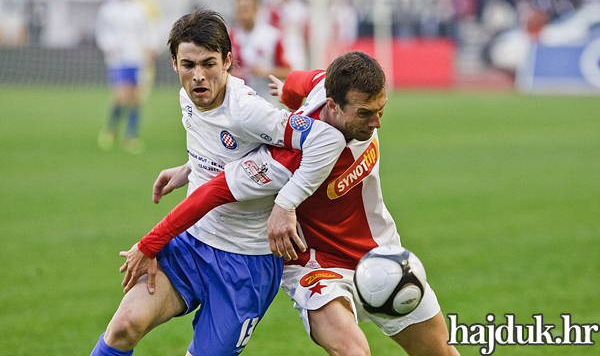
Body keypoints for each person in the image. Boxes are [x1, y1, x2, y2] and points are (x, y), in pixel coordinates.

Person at [121, 51, 460, 355]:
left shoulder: (322, 85)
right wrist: (153, 241)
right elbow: (212, 193)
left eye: (381, 110)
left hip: (381, 254)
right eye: (366, 113)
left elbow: (299, 81)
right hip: (316, 266)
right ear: (333, 105)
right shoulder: (284, 160)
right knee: (353, 352)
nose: (376, 123)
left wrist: (285, 93)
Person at [89, 9, 345, 356]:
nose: (198, 76)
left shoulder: (249, 111)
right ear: (175, 63)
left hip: (246, 263)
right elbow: (220, 151)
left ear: (227, 61)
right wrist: (189, 169)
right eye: (188, 64)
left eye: (208, 64)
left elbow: (326, 140)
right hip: (191, 244)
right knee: (123, 326)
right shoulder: (189, 97)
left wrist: (287, 204)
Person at [95, 0, 160, 154]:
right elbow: (101, 31)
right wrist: (108, 45)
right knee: (121, 95)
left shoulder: (141, 8)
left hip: (138, 58)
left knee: (135, 98)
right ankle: (111, 129)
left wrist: (151, 47)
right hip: (118, 59)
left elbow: (150, 29)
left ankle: (131, 136)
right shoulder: (109, 8)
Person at [230, 0, 291, 108]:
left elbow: (288, 72)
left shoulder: (272, 36)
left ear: (256, 10)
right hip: (240, 104)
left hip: (267, 103)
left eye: (246, 8)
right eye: (239, 9)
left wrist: (264, 72)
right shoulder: (230, 37)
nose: (242, 13)